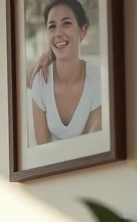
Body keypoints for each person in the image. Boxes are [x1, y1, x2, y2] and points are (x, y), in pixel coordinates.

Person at [27, 0, 103, 144]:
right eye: (52, 27)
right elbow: (43, 150)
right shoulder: (41, 82)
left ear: (82, 30)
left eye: (66, 24)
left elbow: (93, 145)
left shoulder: (98, 79)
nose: (58, 33)